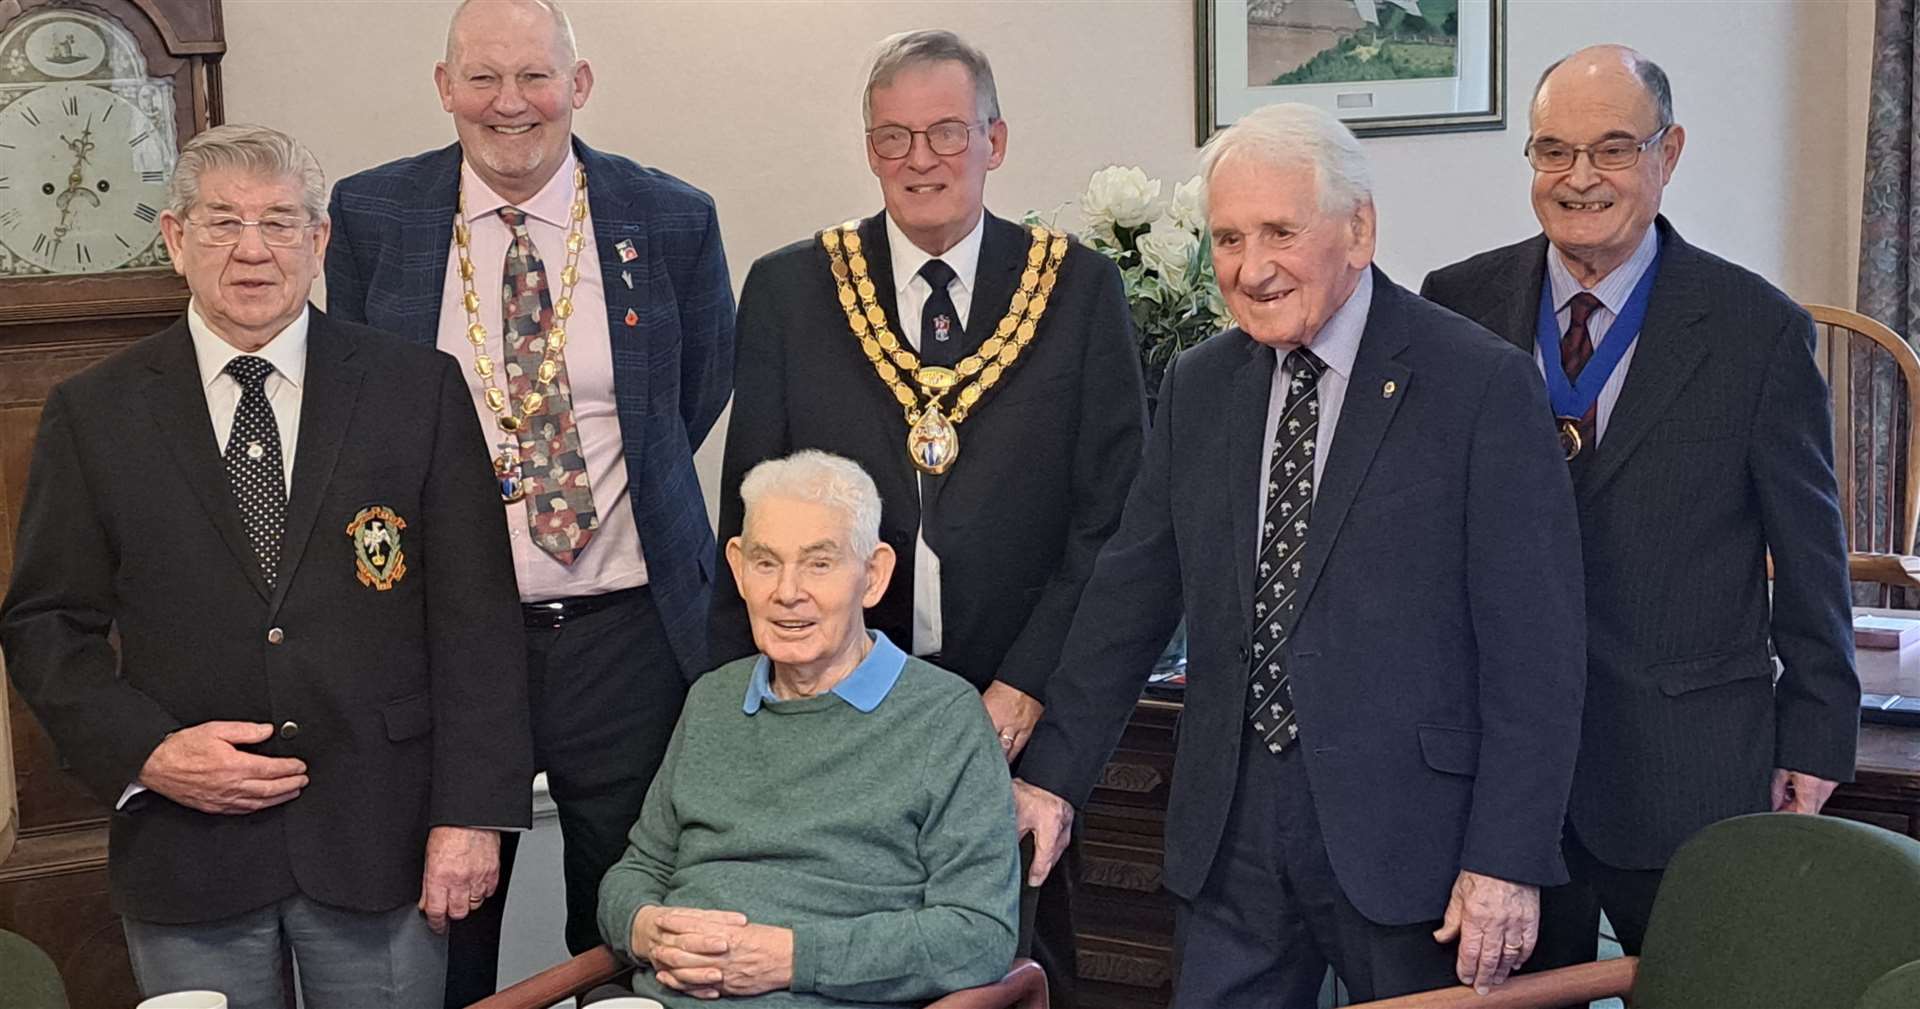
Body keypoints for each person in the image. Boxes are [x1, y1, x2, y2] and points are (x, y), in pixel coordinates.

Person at [1013, 103, 1588, 1007]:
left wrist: (1505, 859)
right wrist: (1053, 774)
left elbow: (1538, 652)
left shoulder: (1478, 383)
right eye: (1230, 238)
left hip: (1414, 848)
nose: (1252, 267)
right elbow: (1129, 597)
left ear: (1359, 230)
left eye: (1281, 231)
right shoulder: (1201, 385)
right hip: (1230, 831)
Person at [0, 124, 531, 1009]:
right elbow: (46, 624)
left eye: (281, 223)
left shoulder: (416, 391)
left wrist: (471, 814)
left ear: (319, 243)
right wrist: (149, 752)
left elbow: (477, 622)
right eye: (222, 224)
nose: (253, 251)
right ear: (175, 240)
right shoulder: (94, 413)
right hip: (188, 847)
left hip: (382, 840)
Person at [712, 32, 1144, 1002]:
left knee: (1016, 965)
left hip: (1014, 714)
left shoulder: (1075, 290)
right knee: (843, 956)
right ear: (869, 149)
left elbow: (1108, 527)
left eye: (946, 133)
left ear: (995, 138)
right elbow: (751, 522)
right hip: (842, 709)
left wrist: (1028, 686)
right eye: (895, 137)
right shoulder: (793, 290)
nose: (920, 160)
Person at [323, 1, 734, 1000]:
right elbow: (364, 410)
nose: (511, 104)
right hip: (450, 640)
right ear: (444, 86)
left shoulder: (670, 216)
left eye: (535, 77)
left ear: (578, 86)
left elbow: (693, 393)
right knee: (447, 910)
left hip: (627, 635)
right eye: (484, 78)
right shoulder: (375, 217)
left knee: (634, 917)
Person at [1420, 45, 1858, 972]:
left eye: (1614, 149)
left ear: (1670, 153)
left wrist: (1818, 730)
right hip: (1501, 781)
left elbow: (1811, 552)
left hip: (1683, 763)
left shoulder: (1758, 330)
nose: (1580, 179)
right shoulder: (1455, 305)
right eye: (1552, 151)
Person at [600, 450, 1018, 1007]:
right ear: (738, 569)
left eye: (819, 563)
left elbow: (978, 935)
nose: (787, 592)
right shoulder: (711, 700)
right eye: (766, 562)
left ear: (873, 576)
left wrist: (795, 959)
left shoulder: (944, 717)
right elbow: (638, 871)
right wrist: (646, 928)